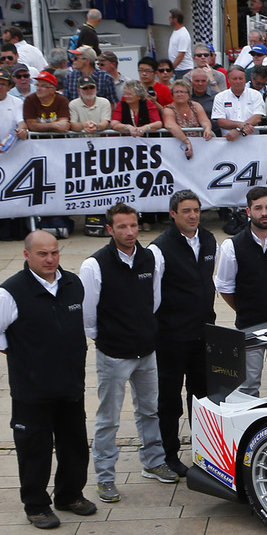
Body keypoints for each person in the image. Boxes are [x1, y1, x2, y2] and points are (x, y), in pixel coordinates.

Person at [0, 231, 93, 528]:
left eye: (54, 253)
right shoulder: (9, 293)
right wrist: (26, 356)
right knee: (34, 449)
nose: (50, 259)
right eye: (43, 254)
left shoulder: (72, 284)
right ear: (27, 255)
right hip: (32, 389)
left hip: (70, 384)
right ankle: (36, 505)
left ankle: (69, 495)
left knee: (74, 444)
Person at [80, 202, 174, 504]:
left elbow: (154, 302)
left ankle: (153, 461)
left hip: (147, 352)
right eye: (122, 227)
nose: (130, 232)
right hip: (113, 355)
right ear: (110, 229)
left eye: (133, 225)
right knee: (108, 419)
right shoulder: (94, 266)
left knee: (150, 410)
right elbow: (87, 316)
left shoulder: (150, 259)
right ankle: (105, 477)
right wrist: (109, 340)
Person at [148, 190, 217, 478]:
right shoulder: (159, 249)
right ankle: (168, 454)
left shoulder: (210, 240)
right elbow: (152, 299)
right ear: (173, 213)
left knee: (202, 399)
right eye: (186, 211)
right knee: (169, 400)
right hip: (172, 338)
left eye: (197, 210)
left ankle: (205, 452)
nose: (193, 216)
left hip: (203, 335)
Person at [217, 186, 267, 396]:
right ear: (248, 211)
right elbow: (224, 287)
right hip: (248, 326)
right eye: (258, 208)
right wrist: (245, 308)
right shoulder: (232, 246)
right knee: (248, 385)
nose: (264, 213)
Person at [163, 8, 191, 77]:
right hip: (178, 69)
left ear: (175, 19)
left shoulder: (183, 34)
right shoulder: (176, 31)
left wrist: (171, 68)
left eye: (170, 17)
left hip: (183, 70)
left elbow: (181, 55)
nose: (168, 19)